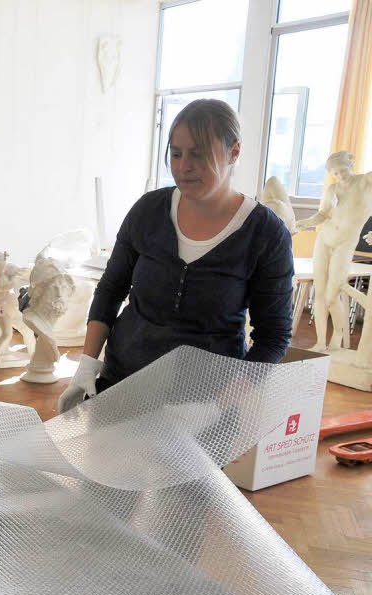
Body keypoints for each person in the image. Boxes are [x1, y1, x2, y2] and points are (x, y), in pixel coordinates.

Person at [58, 99, 294, 413]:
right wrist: (87, 364)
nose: (184, 166)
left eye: (198, 154)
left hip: (202, 404)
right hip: (123, 385)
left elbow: (274, 335)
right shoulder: (149, 211)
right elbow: (111, 289)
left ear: (233, 152)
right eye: (176, 153)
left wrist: (234, 393)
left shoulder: (265, 233)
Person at [295, 151, 372, 352]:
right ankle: (321, 342)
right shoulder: (333, 189)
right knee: (319, 294)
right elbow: (322, 214)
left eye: (343, 170)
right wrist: (304, 223)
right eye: (335, 173)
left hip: (345, 244)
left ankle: (337, 334)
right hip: (324, 240)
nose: (340, 175)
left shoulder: (365, 182)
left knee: (332, 293)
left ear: (351, 165)